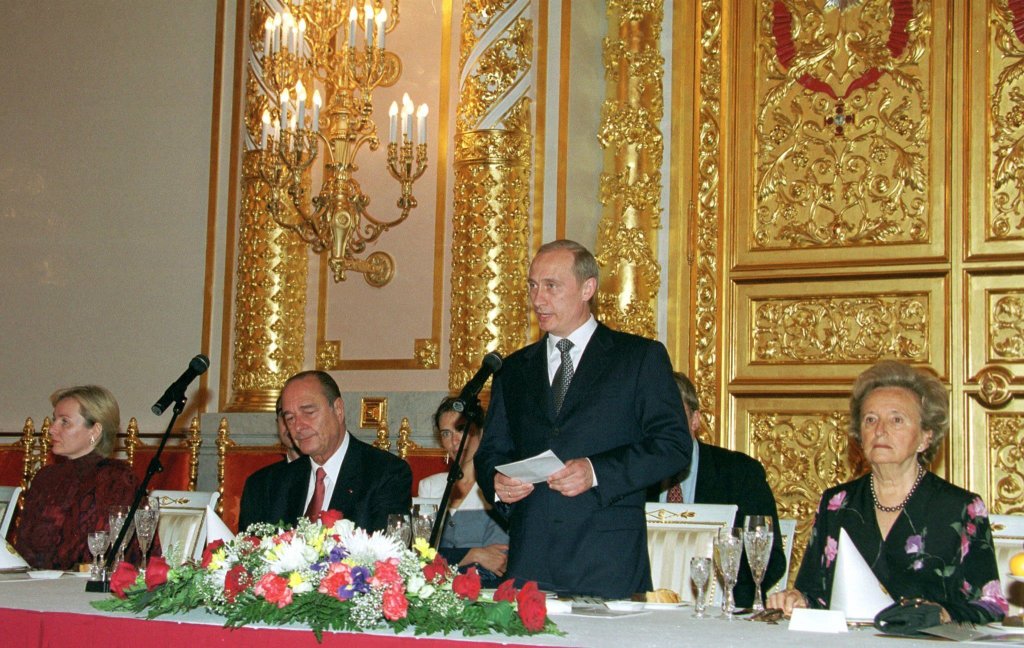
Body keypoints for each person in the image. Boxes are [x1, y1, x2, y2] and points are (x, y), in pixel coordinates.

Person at [474, 239, 692, 599]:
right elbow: (491, 452)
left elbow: (673, 446)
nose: (538, 299)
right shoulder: (512, 370)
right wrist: (497, 483)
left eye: (551, 286)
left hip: (607, 562)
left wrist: (596, 471)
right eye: (533, 285)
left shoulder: (638, 358)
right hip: (530, 562)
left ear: (588, 288)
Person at [767, 361, 1007, 624]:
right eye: (870, 420)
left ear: (925, 437)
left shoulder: (960, 507)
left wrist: (942, 613)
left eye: (896, 420)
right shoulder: (837, 503)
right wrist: (797, 600)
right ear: (860, 434)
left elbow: (991, 606)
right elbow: (815, 594)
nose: (880, 430)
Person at [648, 372, 787, 607]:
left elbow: (769, 558)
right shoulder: (631, 478)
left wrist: (726, 599)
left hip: (721, 612)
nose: (661, 428)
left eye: (671, 416)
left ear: (695, 420)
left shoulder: (740, 474)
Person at [238, 370, 412, 533]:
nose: (298, 427)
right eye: (290, 418)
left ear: (338, 410)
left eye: (309, 412)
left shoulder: (386, 474)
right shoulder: (265, 486)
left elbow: (385, 551)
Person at [15, 385, 144, 569]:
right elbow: (23, 549)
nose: (51, 429)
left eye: (64, 422)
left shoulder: (117, 479)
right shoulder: (45, 477)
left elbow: (110, 552)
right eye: (54, 419)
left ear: (95, 431)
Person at [418, 397, 509, 587]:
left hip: (487, 593)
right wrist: (472, 554)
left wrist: (447, 560)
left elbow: (498, 562)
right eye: (446, 433)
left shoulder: (499, 485)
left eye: (461, 429)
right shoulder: (429, 487)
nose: (454, 441)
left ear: (481, 432)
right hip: (435, 592)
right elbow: (420, 558)